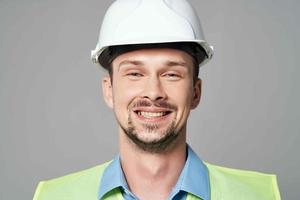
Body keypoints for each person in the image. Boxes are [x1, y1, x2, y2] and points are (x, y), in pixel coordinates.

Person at [33, 0, 281, 199]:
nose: (153, 92)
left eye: (171, 74)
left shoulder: (258, 194)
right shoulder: (54, 196)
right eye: (134, 73)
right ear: (109, 90)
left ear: (195, 92)